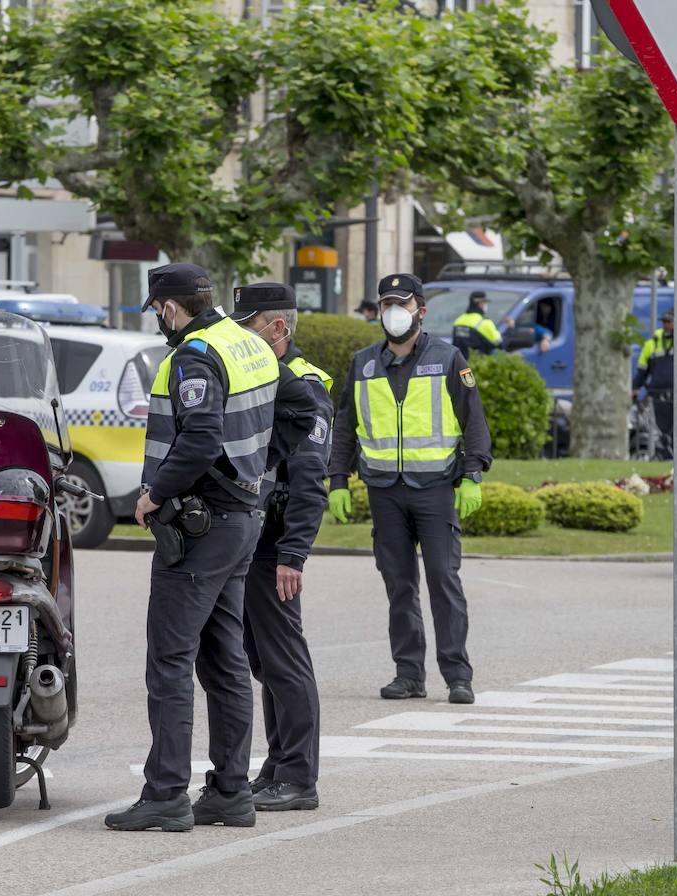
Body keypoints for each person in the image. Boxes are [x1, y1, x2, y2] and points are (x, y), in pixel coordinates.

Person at [105, 263, 282, 832]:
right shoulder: (246, 343)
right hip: (242, 518)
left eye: (158, 310)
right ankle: (231, 791)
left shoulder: (194, 357)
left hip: (203, 526)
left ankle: (166, 794)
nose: (159, 320)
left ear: (170, 307)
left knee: (171, 661)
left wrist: (153, 493)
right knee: (225, 660)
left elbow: (202, 435)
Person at [327, 272, 493, 705]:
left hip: (435, 489)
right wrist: (338, 480)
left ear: (421, 309)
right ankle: (408, 674)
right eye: (385, 304)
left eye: (400, 303)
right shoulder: (363, 362)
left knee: (443, 580)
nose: (392, 312)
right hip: (385, 490)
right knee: (399, 586)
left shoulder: (449, 357)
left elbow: (473, 420)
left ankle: (458, 675)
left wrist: (473, 475)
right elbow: (345, 424)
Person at [231, 282, 330, 813]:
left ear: (278, 329)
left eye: (248, 327)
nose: (240, 337)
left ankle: (298, 776)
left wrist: (293, 554)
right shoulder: (263, 378)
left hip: (274, 546)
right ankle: (278, 765)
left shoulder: (303, 386)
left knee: (285, 661)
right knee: (266, 661)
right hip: (251, 540)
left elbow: (311, 479)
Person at [633, 310, 675, 459]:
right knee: (663, 429)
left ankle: (674, 456)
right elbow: (642, 370)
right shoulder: (652, 343)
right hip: (659, 393)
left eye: (669, 322)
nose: (666, 325)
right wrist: (635, 388)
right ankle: (666, 457)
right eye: (664, 322)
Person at [451, 290, 502, 358]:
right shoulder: (484, 322)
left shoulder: (458, 321)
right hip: (479, 364)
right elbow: (499, 344)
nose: (485, 305)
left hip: (461, 363)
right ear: (480, 304)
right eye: (485, 303)